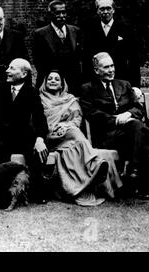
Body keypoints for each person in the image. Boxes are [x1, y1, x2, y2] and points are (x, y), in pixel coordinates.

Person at [39, 70, 122, 206]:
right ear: (45, 82)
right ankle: (94, 163)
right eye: (50, 79)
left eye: (56, 79)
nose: (53, 81)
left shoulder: (70, 99)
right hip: (50, 135)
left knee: (73, 135)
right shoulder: (39, 98)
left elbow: (77, 119)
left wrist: (66, 125)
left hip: (68, 135)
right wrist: (55, 127)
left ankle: (90, 172)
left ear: (62, 84)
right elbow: (38, 120)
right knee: (75, 133)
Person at [80, 52, 149, 200]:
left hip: (130, 133)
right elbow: (91, 113)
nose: (111, 70)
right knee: (143, 133)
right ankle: (140, 181)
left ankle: (133, 170)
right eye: (106, 67)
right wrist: (115, 120)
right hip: (108, 134)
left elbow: (138, 108)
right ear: (96, 70)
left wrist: (128, 115)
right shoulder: (88, 88)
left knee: (137, 128)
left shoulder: (124, 84)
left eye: (112, 66)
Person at [0, 58, 49, 204]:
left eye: (12, 68)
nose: (7, 71)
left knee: (37, 150)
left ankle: (36, 192)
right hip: (0, 136)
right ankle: (0, 195)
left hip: (22, 136)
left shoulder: (32, 92)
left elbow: (40, 119)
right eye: (8, 67)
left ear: (23, 74)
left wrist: (40, 139)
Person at [82, 0, 141, 87]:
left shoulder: (126, 29)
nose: (105, 12)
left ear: (113, 10)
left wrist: (135, 86)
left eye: (108, 8)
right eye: (102, 9)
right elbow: (86, 59)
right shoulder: (90, 30)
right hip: (98, 81)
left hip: (121, 79)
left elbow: (134, 59)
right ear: (97, 11)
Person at [33, 0, 83, 95]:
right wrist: (51, 78)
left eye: (63, 12)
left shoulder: (75, 31)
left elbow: (78, 56)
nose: (61, 16)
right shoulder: (40, 34)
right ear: (50, 14)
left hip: (72, 82)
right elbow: (37, 60)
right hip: (51, 82)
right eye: (57, 13)